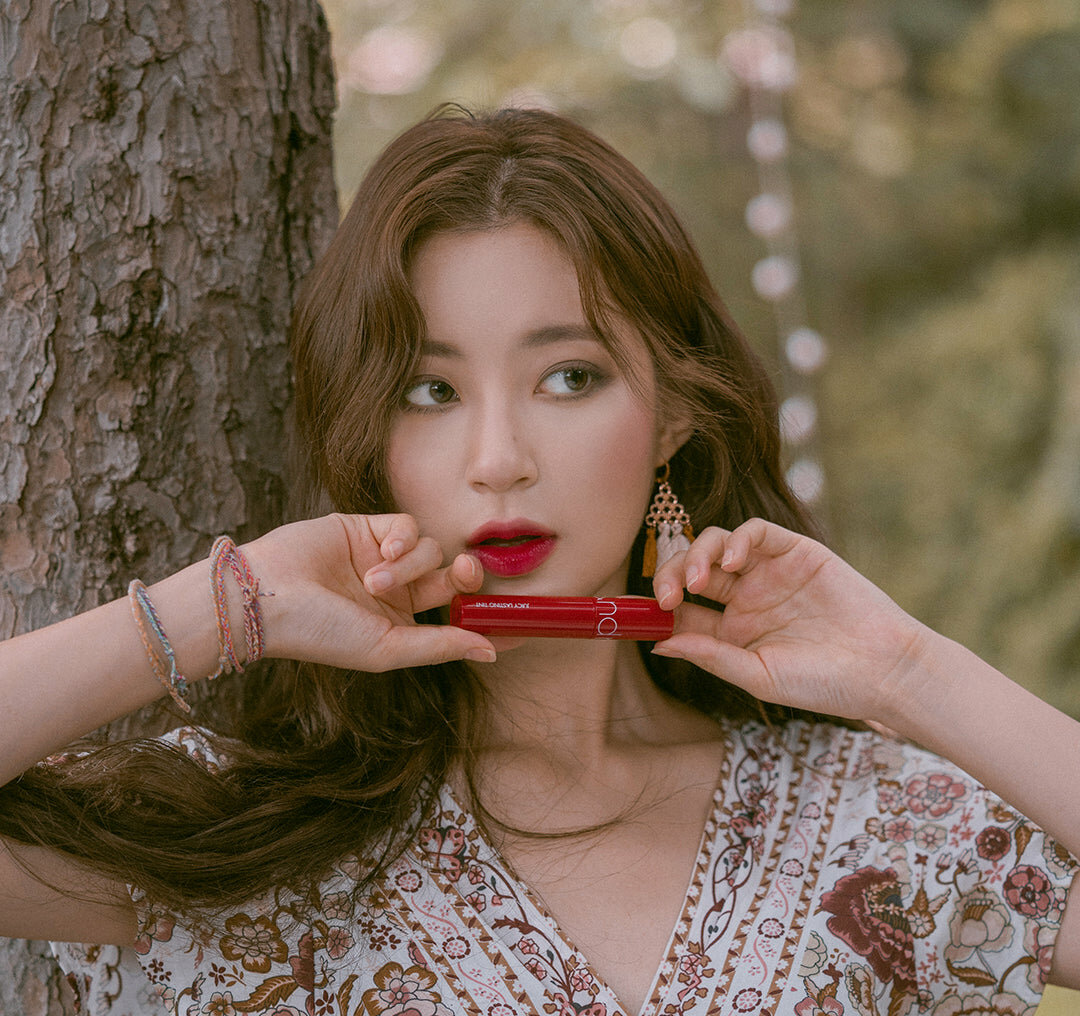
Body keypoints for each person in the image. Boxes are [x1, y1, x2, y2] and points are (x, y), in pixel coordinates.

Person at [0, 106, 1077, 1016]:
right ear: (372, 440)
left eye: (568, 377)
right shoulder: (249, 838)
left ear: (671, 415)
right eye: (431, 391)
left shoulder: (878, 825)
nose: (499, 459)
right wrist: (232, 604)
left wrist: (903, 670)